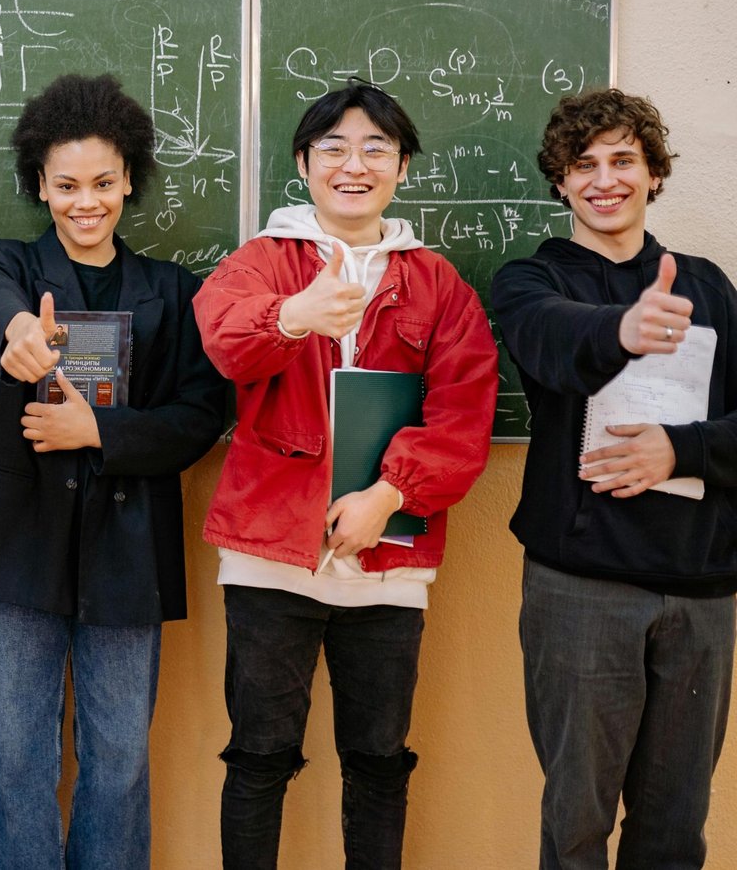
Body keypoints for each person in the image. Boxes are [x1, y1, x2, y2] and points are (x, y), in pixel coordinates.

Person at [0, 74, 231, 869]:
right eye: (66, 185)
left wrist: (99, 429)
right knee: (17, 760)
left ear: (129, 178)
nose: (85, 201)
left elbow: (201, 415)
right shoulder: (7, 265)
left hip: (127, 552)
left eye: (102, 182)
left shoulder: (173, 289)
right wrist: (21, 331)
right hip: (20, 543)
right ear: (40, 185)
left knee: (120, 760)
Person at [195, 79, 498, 869]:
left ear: (401, 167)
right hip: (269, 557)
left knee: (377, 760)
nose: (353, 164)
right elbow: (226, 341)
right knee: (259, 756)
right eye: (332, 147)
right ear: (303, 162)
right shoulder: (263, 261)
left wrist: (390, 493)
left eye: (375, 148)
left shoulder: (438, 284)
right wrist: (293, 314)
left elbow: (464, 414)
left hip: (388, 564)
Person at [491, 89, 737, 870]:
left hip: (701, 593)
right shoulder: (531, 281)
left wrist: (682, 450)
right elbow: (549, 339)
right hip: (583, 590)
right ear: (559, 181)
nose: (605, 179)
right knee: (576, 825)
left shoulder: (710, 286)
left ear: (654, 173)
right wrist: (621, 329)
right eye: (583, 164)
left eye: (623, 160)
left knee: (673, 831)